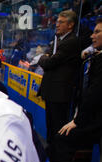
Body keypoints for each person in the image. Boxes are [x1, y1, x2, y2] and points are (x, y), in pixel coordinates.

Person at [49, 18, 102, 162]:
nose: (92, 36)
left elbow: (94, 94)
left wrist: (77, 121)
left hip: (94, 119)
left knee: (61, 138)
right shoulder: (94, 56)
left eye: (97, 32)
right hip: (89, 115)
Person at [37, 10, 81, 149]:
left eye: (61, 22)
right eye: (57, 22)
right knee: (51, 127)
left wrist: (46, 57)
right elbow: (45, 58)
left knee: (57, 127)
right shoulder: (58, 39)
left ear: (70, 25)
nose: (57, 25)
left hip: (60, 94)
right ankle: (52, 153)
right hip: (51, 92)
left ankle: (58, 159)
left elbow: (48, 62)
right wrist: (46, 57)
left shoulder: (71, 41)